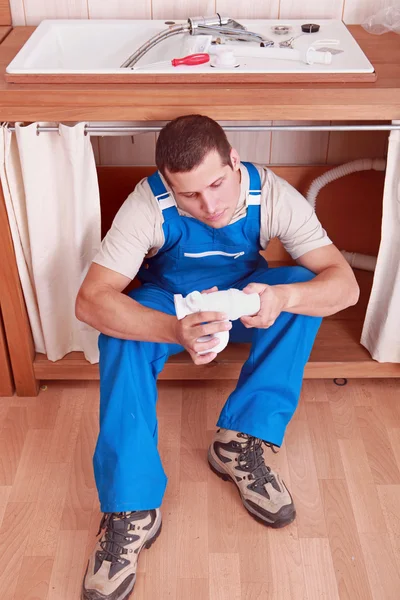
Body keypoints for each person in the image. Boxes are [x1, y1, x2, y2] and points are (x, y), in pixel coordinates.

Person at [76, 115, 359, 600]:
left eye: (216, 184)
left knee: (300, 290)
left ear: (234, 160)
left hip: (242, 302)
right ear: (168, 184)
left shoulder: (271, 194)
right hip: (172, 305)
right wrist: (173, 329)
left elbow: (344, 285)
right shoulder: (147, 204)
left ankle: (240, 442)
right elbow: (91, 300)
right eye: (190, 195)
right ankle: (131, 506)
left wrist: (283, 301)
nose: (209, 206)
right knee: (118, 328)